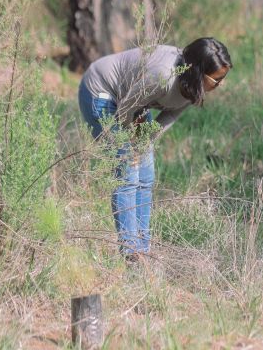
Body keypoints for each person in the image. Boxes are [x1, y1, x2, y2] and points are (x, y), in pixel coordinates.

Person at [78, 37, 232, 261]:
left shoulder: (192, 85)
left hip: (136, 103)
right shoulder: (162, 76)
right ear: (198, 71)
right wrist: (131, 144)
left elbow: (170, 115)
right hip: (103, 91)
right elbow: (126, 108)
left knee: (146, 177)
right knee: (127, 174)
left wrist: (145, 141)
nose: (220, 85)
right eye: (217, 79)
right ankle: (130, 254)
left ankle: (143, 250)